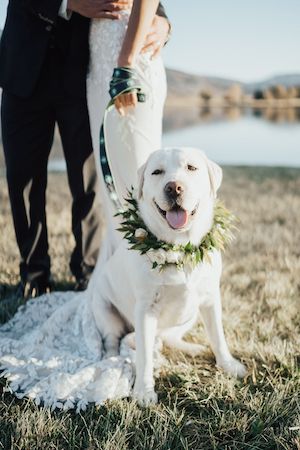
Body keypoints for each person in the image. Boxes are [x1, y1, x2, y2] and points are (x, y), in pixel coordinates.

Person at [0, 0, 168, 409]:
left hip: (87, 69)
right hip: (26, 68)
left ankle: (91, 270)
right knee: (24, 181)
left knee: (92, 185)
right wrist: (67, 3)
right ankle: (35, 273)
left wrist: (166, 23)